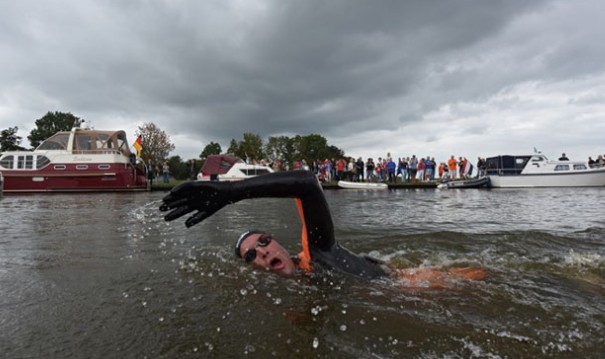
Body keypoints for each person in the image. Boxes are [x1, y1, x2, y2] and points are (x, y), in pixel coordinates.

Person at [160, 171, 487, 288]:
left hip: (440, 286)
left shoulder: (315, 253)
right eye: (252, 256)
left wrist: (231, 191)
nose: (263, 252)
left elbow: (306, 182)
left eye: (264, 242)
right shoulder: (300, 283)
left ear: (280, 245)